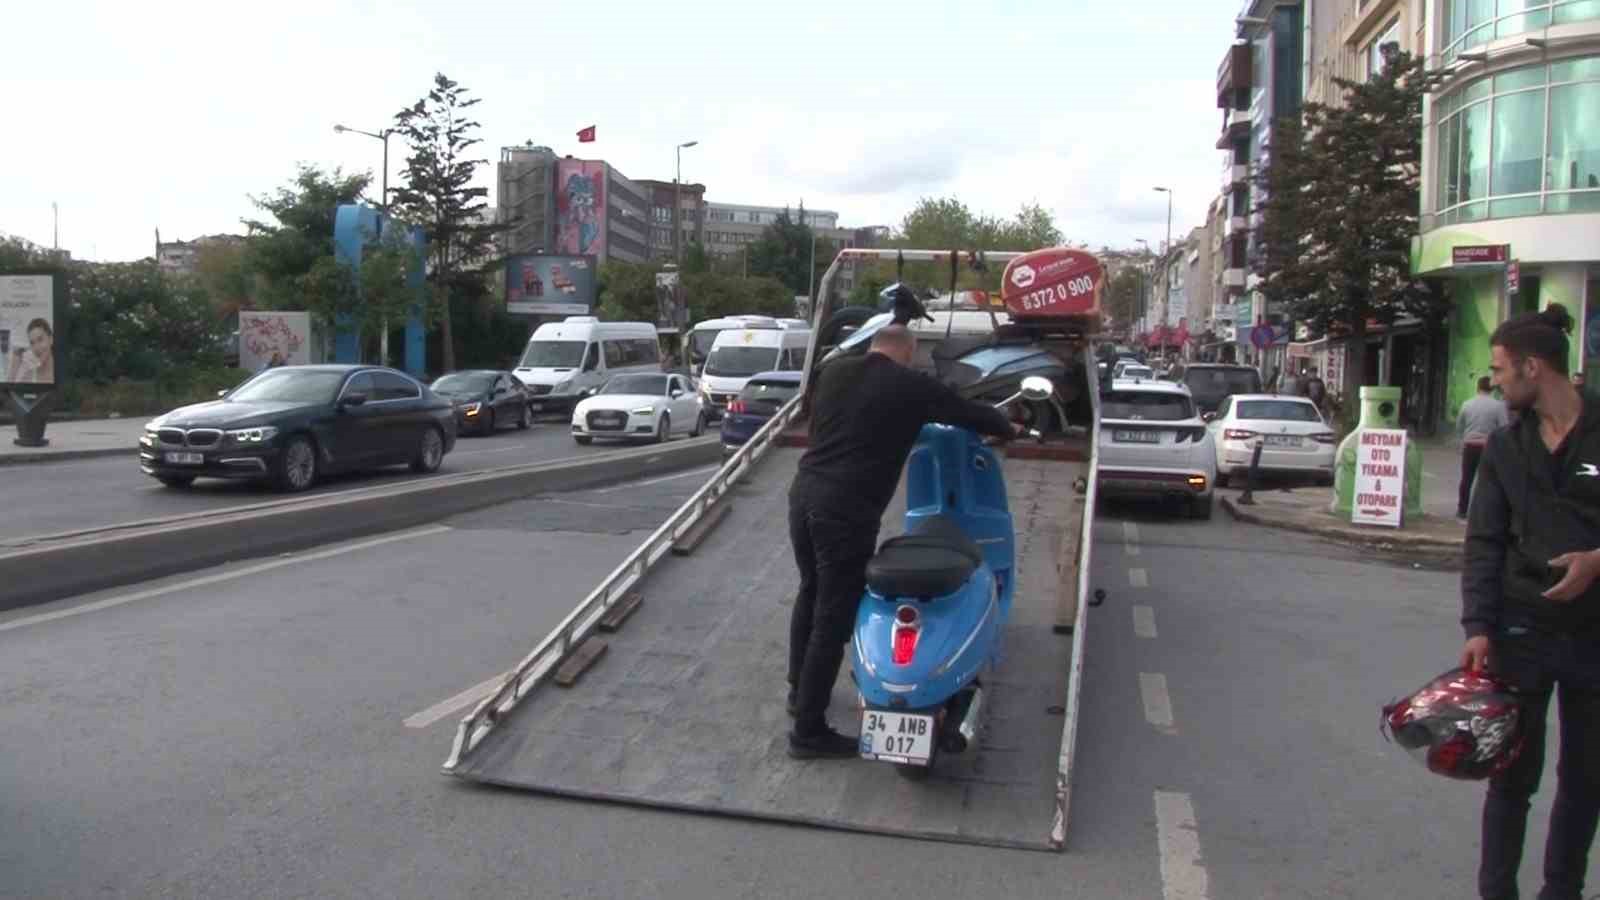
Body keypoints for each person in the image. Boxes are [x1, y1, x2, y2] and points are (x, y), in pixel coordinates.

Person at [786, 322, 1020, 759]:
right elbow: (965, 412)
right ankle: (807, 731)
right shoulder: (910, 385)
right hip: (846, 509)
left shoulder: (834, 371)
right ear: (908, 352)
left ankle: (798, 691)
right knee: (833, 617)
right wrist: (1007, 426)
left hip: (804, 494)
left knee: (810, 590)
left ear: (874, 346)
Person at [1460, 303, 1600, 900]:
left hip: (1595, 636)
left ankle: (1560, 891)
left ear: (1533, 368)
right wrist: (1478, 626)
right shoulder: (1505, 447)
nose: (1493, 381)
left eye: (1499, 369)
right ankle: (1497, 893)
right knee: (1512, 778)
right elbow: (1484, 541)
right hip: (1521, 630)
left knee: (1585, 780)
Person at [1457, 376, 1512, 520]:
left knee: (1466, 479)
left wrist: (1463, 439)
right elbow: (1504, 427)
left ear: (1477, 387)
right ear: (1492, 388)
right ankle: (1483, 514)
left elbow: (1459, 425)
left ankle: (1462, 510)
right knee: (1487, 481)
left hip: (1470, 445)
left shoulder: (1467, 404)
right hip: (1489, 447)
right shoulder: (1498, 406)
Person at [6, 318, 54, 384]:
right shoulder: (29, 375)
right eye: (32, 343)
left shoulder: (63, 371)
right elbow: (7, 391)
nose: (36, 347)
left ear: (51, 339)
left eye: (40, 339)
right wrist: (14, 367)